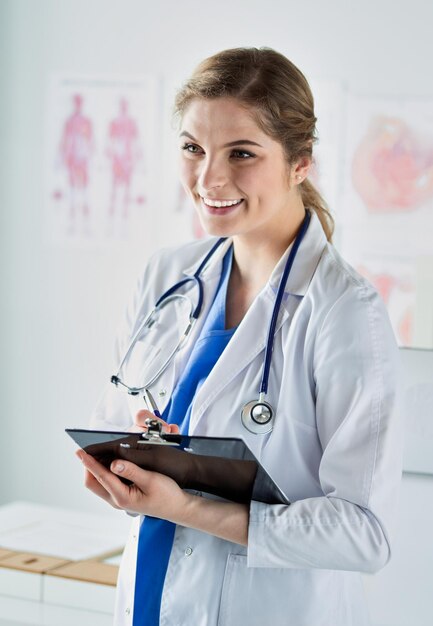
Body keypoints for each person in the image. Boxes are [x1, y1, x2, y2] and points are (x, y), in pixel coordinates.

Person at [76, 47, 402, 626]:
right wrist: (128, 467)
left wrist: (189, 507)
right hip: (150, 597)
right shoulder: (167, 277)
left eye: (242, 153)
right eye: (192, 148)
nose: (209, 179)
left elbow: (365, 534)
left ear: (301, 162)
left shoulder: (344, 312)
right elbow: (124, 418)